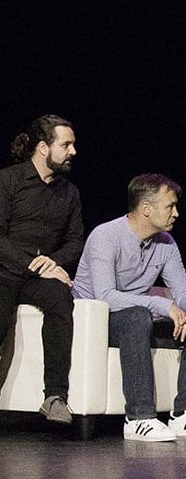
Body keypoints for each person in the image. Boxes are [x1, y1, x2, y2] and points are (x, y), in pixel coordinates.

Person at [72, 173, 186, 442]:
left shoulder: (166, 243)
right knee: (137, 317)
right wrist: (163, 305)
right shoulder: (105, 236)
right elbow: (105, 297)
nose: (176, 213)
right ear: (146, 208)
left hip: (137, 323)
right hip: (96, 325)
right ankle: (138, 418)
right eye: (170, 206)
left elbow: (183, 290)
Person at [0, 114, 82, 425]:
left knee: (61, 299)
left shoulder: (69, 192)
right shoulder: (9, 180)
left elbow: (75, 241)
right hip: (6, 270)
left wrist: (53, 262)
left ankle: (55, 397)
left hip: (39, 277)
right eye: (66, 145)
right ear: (43, 148)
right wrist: (33, 265)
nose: (73, 151)